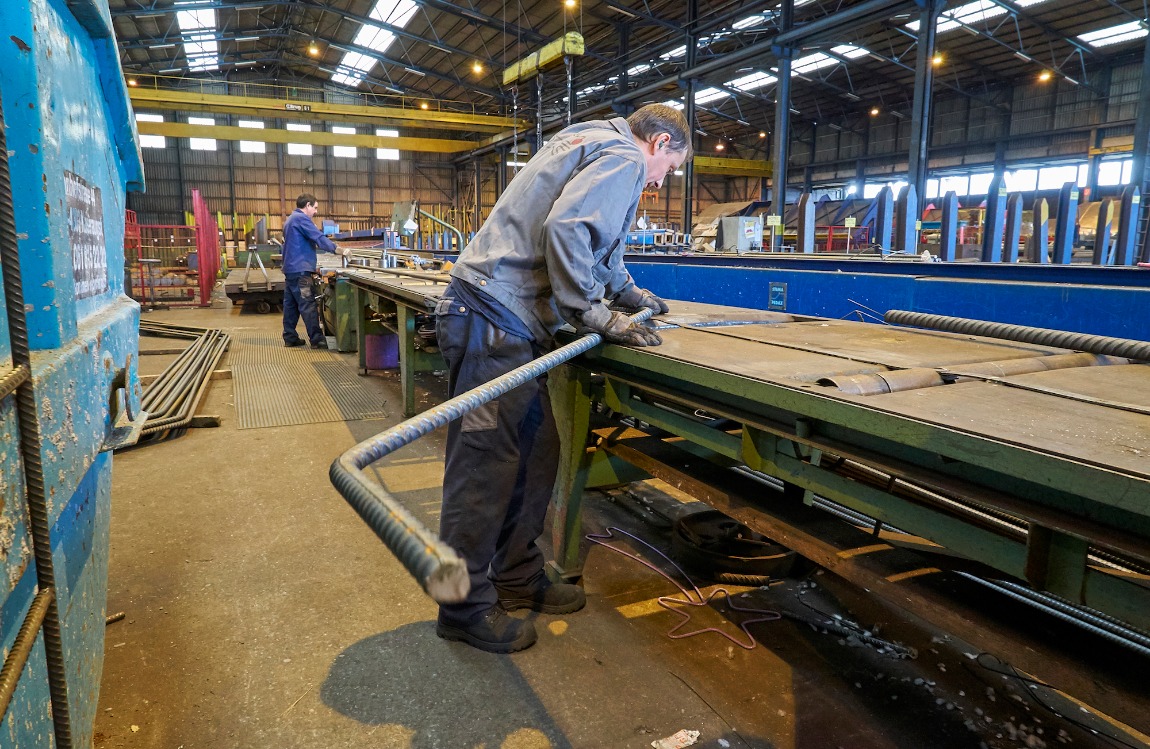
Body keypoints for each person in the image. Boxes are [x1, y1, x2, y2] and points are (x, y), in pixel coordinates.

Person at [434, 103, 691, 653]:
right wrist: (596, 315)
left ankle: (517, 576)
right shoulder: (623, 156)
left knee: (535, 450)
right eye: (670, 167)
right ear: (660, 142)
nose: (662, 179)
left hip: (509, 328)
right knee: (482, 467)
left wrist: (629, 295)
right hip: (490, 326)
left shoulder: (593, 140)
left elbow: (599, 242)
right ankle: (460, 604)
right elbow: (569, 229)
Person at [281, 193, 343, 348]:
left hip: (291, 270)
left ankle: (290, 337)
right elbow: (318, 237)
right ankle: (317, 339)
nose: (315, 212)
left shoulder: (290, 220)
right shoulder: (301, 219)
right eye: (314, 208)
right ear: (307, 205)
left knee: (291, 305)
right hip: (301, 271)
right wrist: (337, 249)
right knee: (307, 304)